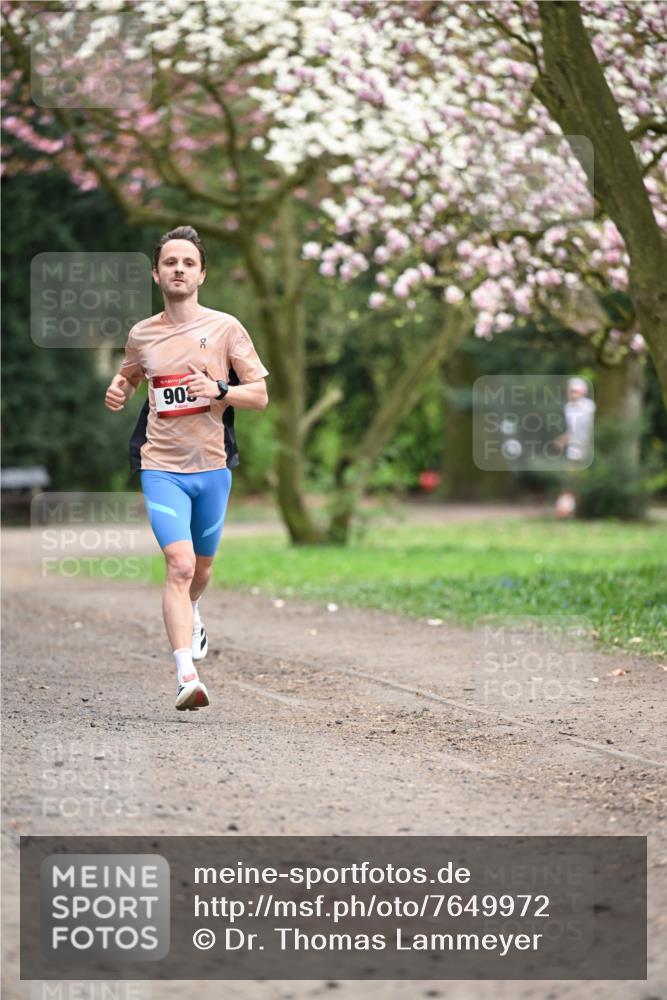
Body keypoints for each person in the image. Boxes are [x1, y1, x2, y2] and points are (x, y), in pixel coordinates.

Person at [105, 226, 269, 711]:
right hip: (160, 466)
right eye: (170, 262)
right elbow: (130, 375)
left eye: (188, 263)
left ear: (201, 274)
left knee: (202, 567)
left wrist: (220, 390)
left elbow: (260, 395)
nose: (179, 269)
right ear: (156, 274)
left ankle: (193, 609)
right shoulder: (142, 334)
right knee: (179, 565)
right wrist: (118, 389)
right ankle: (186, 674)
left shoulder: (226, 329)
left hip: (213, 466)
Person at [553, 377, 595, 518]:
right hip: (574, 449)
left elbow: (587, 429)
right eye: (571, 391)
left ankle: (576, 509)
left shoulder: (589, 407)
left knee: (581, 479)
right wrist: (563, 440)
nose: (572, 394)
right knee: (570, 480)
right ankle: (568, 510)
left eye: (575, 391)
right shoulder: (569, 408)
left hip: (587, 448)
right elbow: (573, 430)